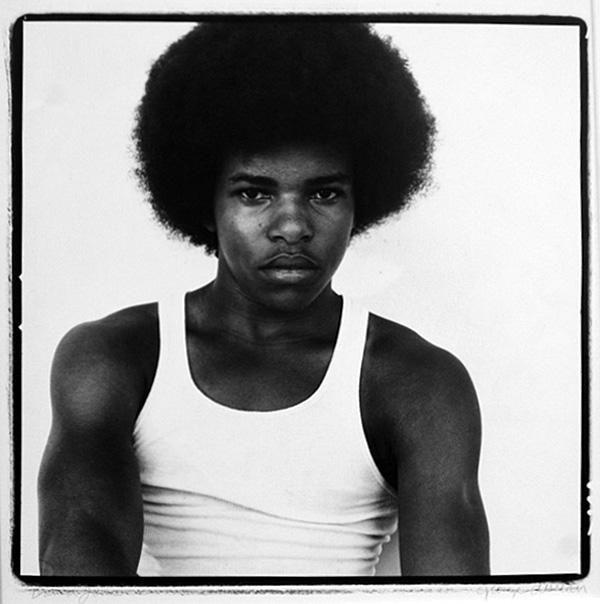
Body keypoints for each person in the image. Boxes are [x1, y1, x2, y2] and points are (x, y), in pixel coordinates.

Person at [37, 21, 489, 577]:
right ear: (205, 205)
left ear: (361, 203)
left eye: (324, 193)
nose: (292, 226)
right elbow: (79, 571)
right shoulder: (115, 358)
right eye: (254, 193)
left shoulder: (418, 383)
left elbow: (456, 592)